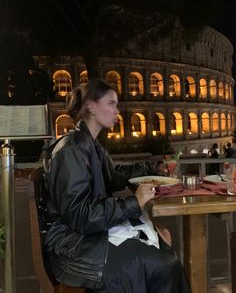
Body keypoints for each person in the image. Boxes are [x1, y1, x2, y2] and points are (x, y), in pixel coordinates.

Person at [42, 78, 190, 293]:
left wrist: (152, 169)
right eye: (111, 103)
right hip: (71, 243)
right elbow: (79, 214)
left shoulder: (90, 144)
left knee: (163, 250)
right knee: (163, 263)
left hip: (86, 234)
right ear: (91, 106)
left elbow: (112, 177)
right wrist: (134, 202)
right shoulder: (71, 149)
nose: (117, 111)